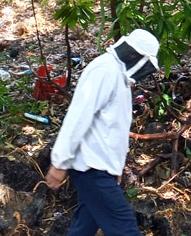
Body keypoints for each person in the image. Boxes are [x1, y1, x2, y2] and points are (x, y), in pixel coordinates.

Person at [44, 29, 160, 235]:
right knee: (125, 228)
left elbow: (112, 127)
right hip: (90, 167)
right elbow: (78, 117)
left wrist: (115, 167)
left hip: (98, 167)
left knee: (84, 227)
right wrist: (59, 162)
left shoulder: (117, 75)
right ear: (135, 56)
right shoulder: (105, 71)